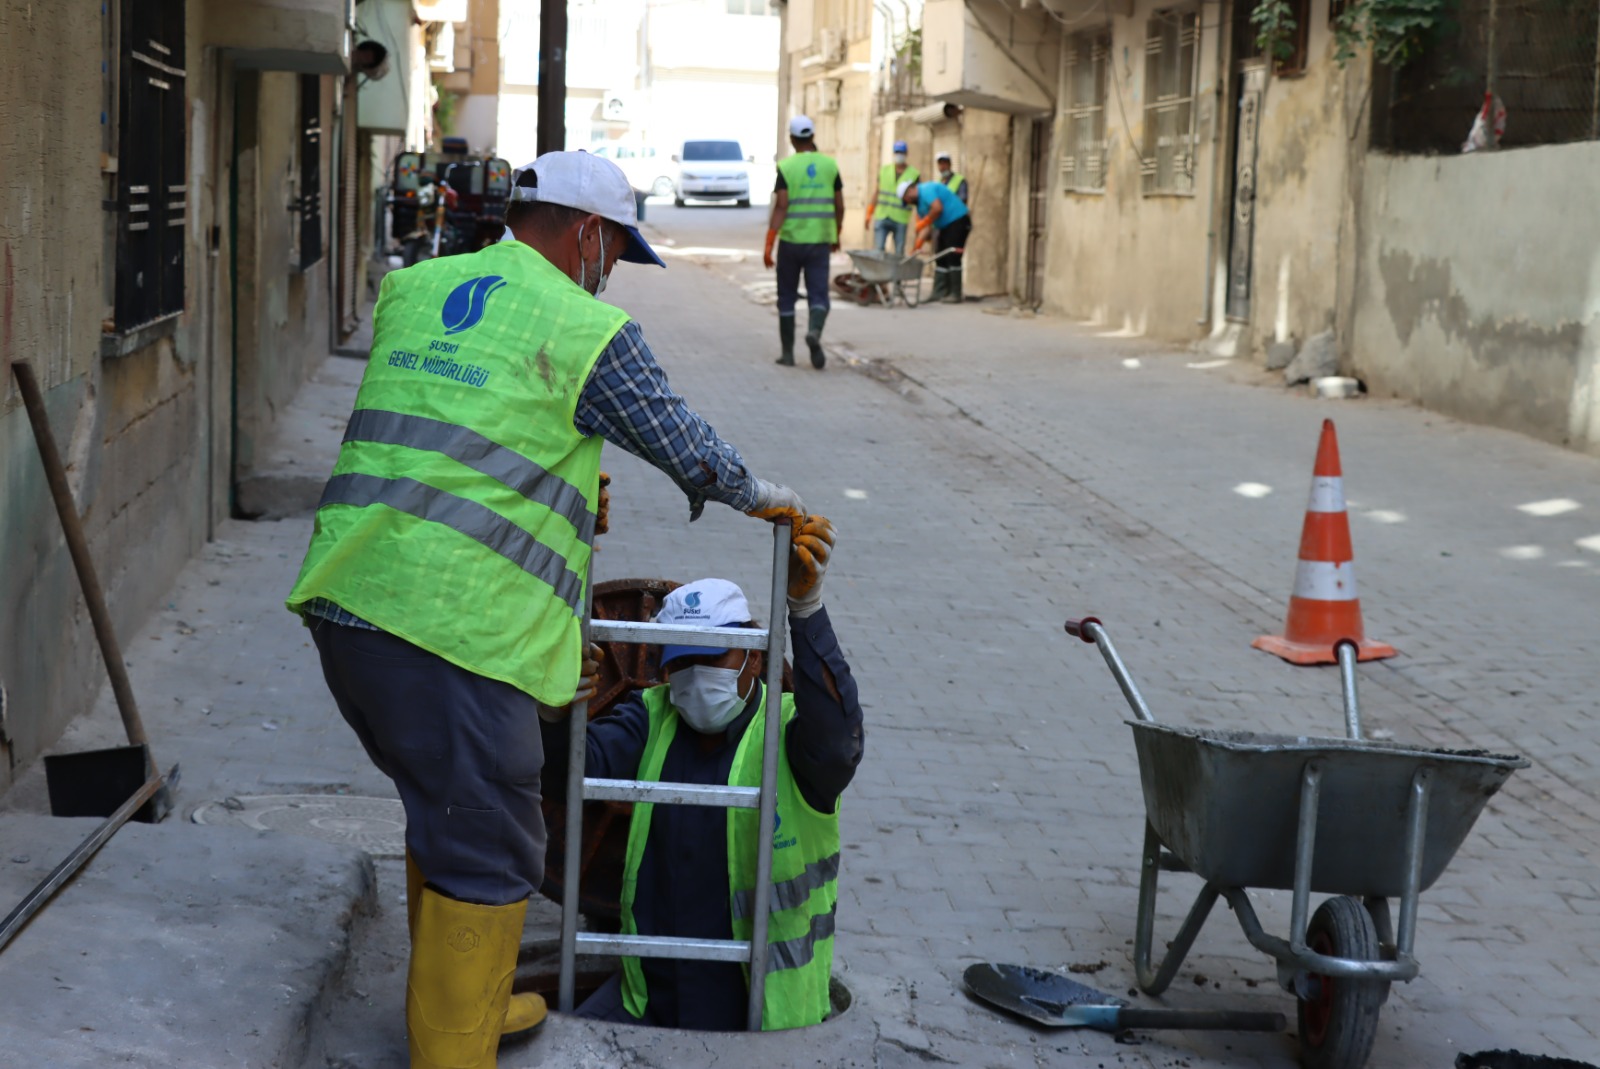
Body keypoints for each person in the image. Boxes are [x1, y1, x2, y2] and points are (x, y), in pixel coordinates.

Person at [285, 149, 805, 1069]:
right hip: (450, 632)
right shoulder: (585, 326)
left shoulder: (421, 288)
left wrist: (555, 485)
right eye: (614, 253)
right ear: (589, 234)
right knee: (492, 847)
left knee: (446, 811)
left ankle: (467, 1007)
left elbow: (452, 434)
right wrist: (768, 497)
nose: (612, 274)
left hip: (351, 607)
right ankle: (452, 1048)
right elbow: (683, 444)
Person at [542, 516, 863, 1032]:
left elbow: (838, 745)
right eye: (682, 663)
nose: (695, 679)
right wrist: (555, 713)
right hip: (648, 998)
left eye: (714, 657)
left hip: (761, 1014)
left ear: (752, 659)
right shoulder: (651, 716)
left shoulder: (789, 737)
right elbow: (567, 771)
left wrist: (805, 613)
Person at [764, 115, 844, 370]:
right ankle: (815, 333)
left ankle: (788, 355)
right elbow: (840, 205)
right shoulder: (830, 165)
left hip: (790, 241)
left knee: (786, 296)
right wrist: (836, 235)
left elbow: (782, 206)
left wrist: (769, 243)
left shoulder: (786, 167)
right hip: (819, 241)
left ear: (791, 138)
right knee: (818, 294)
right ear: (813, 136)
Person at [905, 178, 972, 305]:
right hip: (945, 225)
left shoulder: (926, 190)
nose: (907, 202)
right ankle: (939, 291)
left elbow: (937, 208)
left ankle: (955, 293)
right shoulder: (920, 205)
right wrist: (917, 246)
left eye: (906, 198)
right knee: (940, 256)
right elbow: (927, 228)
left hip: (958, 220)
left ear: (911, 190)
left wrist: (924, 222)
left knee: (953, 255)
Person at [862, 139, 918, 256]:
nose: (899, 155)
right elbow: (877, 192)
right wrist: (869, 213)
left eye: (901, 152)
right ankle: (879, 274)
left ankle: (896, 274)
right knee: (878, 251)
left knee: (899, 252)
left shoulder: (914, 174)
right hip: (883, 216)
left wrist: (919, 221)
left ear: (906, 154)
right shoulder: (884, 171)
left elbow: (917, 199)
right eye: (897, 152)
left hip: (901, 218)